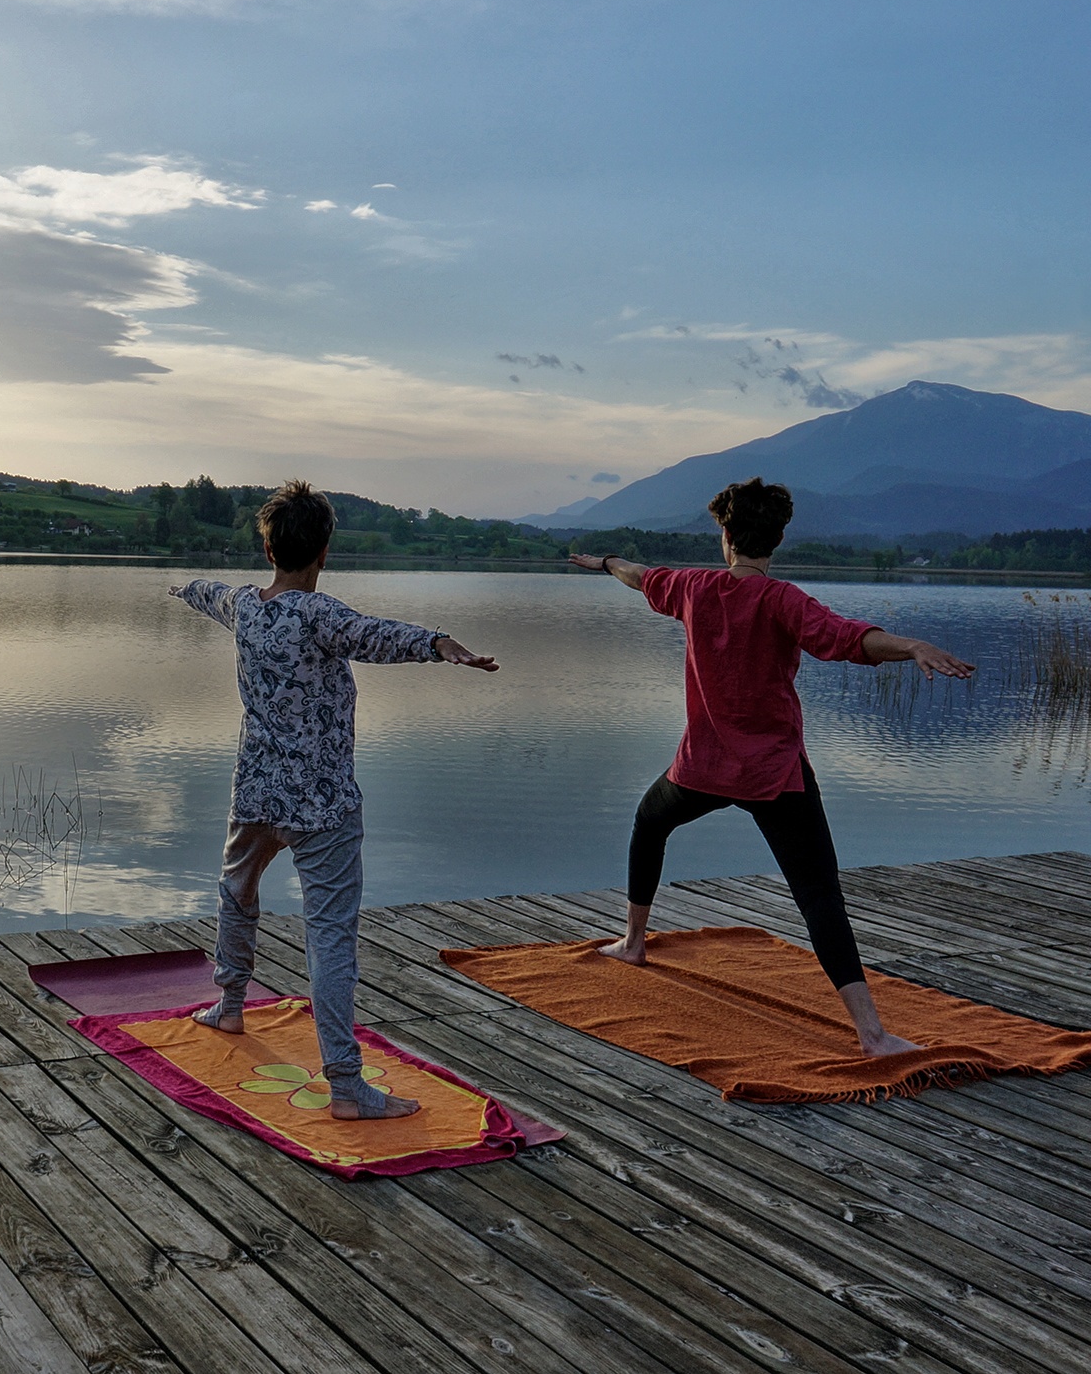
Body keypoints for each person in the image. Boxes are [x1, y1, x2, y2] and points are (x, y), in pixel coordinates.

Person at [569, 477, 974, 1057]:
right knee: (817, 893)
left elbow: (640, 575)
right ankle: (872, 1034)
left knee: (649, 823)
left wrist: (605, 560)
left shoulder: (693, 588)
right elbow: (848, 639)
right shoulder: (784, 600)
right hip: (774, 775)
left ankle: (633, 942)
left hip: (704, 768)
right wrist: (908, 645)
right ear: (775, 540)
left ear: (726, 536)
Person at [171, 480, 498, 1119]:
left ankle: (230, 1005)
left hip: (257, 792)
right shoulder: (316, 614)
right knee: (330, 937)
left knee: (237, 893)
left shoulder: (245, 607)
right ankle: (346, 1086)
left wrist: (182, 589)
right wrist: (438, 644)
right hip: (323, 806)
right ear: (323, 552)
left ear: (267, 550)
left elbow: (208, 594)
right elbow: (371, 633)